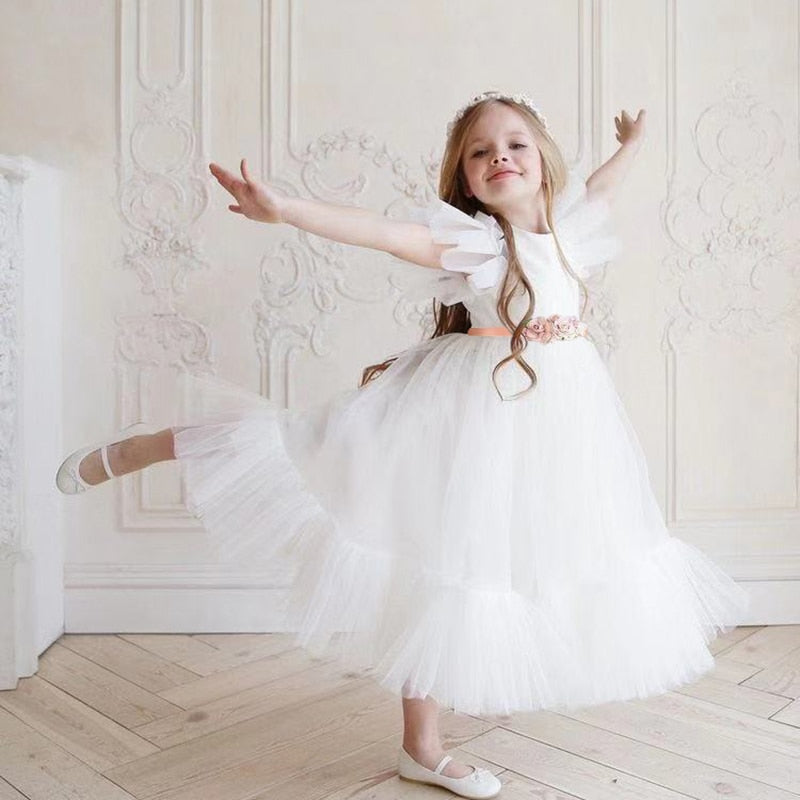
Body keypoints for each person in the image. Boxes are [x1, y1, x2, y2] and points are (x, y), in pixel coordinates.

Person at [56, 90, 749, 800]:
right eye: (480, 152)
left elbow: (602, 185)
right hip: (465, 413)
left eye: (514, 144)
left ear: (542, 157)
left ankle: (421, 749)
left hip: (556, 425)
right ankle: (141, 449)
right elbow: (380, 232)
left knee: (463, 567)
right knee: (319, 463)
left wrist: (632, 145)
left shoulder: (574, 229)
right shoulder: (476, 246)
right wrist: (285, 209)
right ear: (465, 178)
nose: (500, 158)